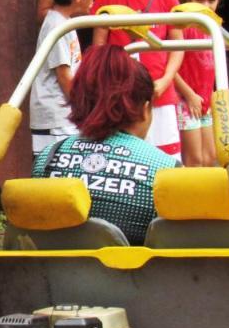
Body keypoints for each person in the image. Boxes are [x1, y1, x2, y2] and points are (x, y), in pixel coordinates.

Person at [33, 45, 179, 244]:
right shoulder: (167, 173)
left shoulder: (47, 160)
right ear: (145, 109)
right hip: (133, 274)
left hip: (51, 273)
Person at [92, 0, 184, 159]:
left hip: (160, 91)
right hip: (118, 90)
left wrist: (166, 79)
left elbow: (178, 46)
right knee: (123, 157)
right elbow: (99, 44)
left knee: (166, 158)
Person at [29, 0, 97, 153]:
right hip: (56, 119)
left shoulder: (64, 22)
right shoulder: (56, 26)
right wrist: (85, 110)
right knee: (56, 173)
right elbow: (64, 77)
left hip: (64, 116)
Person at [173, 0, 225, 167]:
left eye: (211, 0)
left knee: (209, 157)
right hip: (185, 99)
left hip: (205, 99)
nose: (206, 6)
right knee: (193, 160)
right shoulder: (180, 25)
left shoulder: (215, 26)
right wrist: (189, 95)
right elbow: (170, 65)